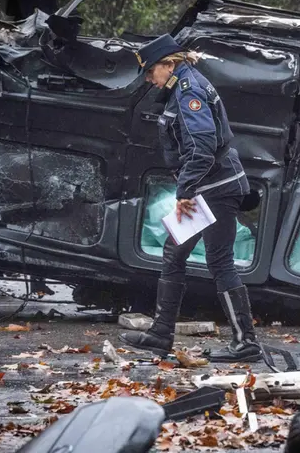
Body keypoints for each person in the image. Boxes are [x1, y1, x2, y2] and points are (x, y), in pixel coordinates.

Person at [119, 34, 261, 363]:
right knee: (175, 252)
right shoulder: (182, 85)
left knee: (219, 261)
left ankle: (245, 342)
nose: (150, 80)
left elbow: (202, 147)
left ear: (169, 65)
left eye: (151, 72)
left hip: (216, 188)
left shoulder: (188, 91)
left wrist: (184, 191)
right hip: (208, 188)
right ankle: (160, 335)